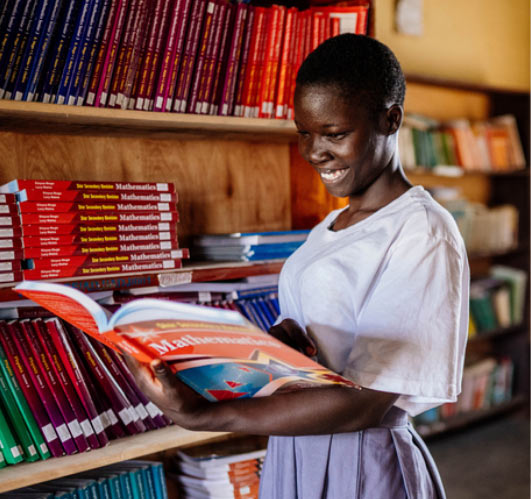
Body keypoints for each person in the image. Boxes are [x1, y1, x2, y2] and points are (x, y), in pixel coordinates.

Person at [125, 34, 469, 498]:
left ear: (391, 119)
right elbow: (333, 348)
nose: (313, 153)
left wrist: (204, 416)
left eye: (335, 133)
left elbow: (365, 404)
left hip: (361, 459)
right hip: (294, 449)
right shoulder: (331, 225)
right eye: (304, 133)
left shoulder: (422, 230)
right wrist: (288, 354)